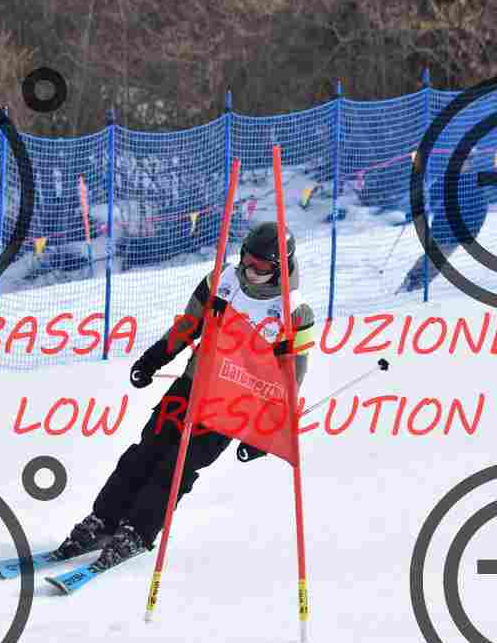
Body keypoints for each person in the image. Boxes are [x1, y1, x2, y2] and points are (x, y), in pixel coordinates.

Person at [53, 221, 316, 571]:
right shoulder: (221, 281)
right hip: (192, 385)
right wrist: (153, 359)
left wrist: (263, 434)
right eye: (248, 260)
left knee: (177, 466)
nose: (251, 271)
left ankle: (137, 532)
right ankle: (104, 521)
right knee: (144, 452)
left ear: (281, 267)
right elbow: (189, 324)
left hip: (233, 405)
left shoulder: (294, 311)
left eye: (262, 266)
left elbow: (289, 378)